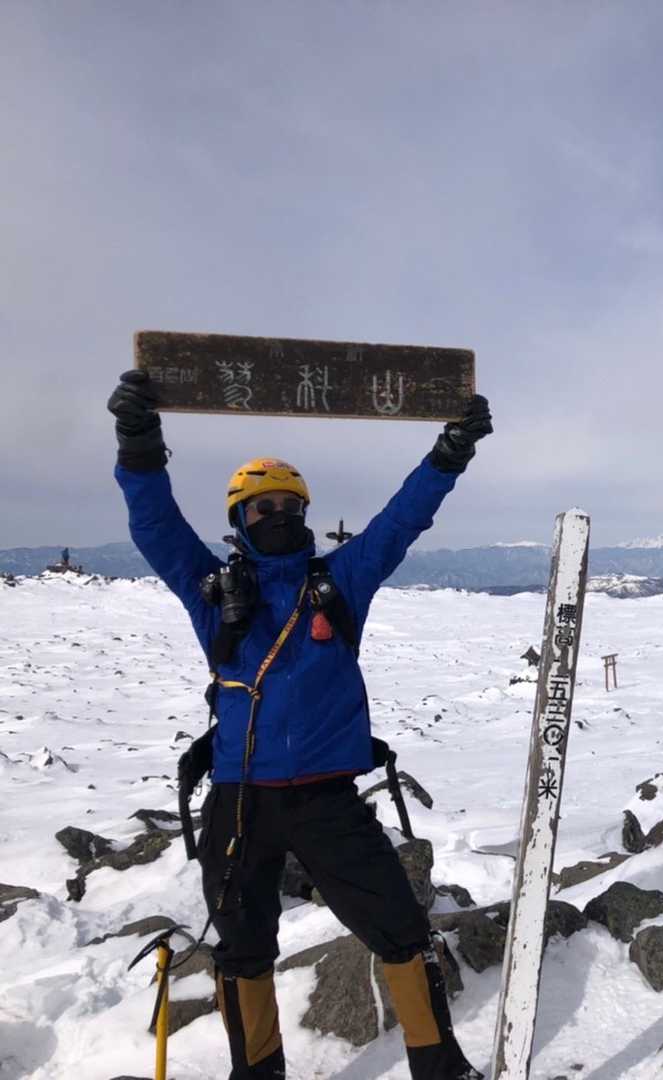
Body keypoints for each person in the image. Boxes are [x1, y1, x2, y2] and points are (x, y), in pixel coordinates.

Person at [108, 368, 491, 1080]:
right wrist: (139, 444)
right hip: (240, 799)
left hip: (327, 799)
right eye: (263, 507)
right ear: (240, 520)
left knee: (402, 931)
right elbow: (155, 527)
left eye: (290, 505)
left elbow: (400, 522)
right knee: (242, 949)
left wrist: (449, 456)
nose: (278, 515)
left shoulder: (338, 583)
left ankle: (443, 1070)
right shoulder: (213, 593)